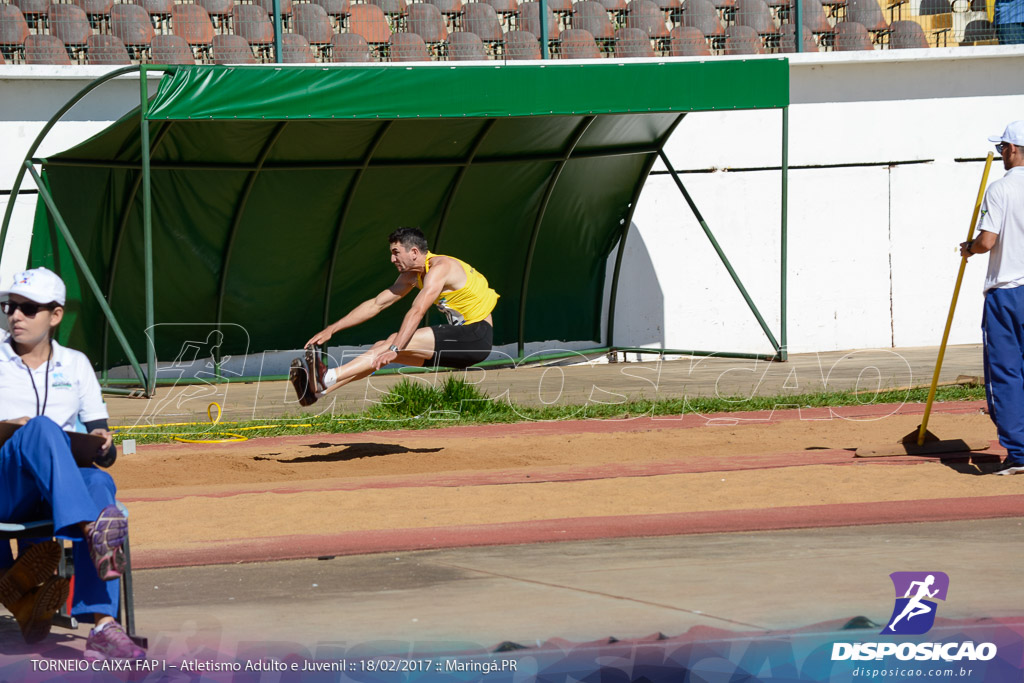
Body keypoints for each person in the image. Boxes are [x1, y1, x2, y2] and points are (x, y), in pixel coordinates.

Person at [0, 266, 145, 659]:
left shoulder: (76, 364)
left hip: (57, 492)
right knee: (42, 429)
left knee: (100, 485)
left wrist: (102, 444)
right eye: (10, 306)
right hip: (6, 486)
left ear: (56, 315)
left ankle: (102, 624)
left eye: (29, 308)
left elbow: (106, 449)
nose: (15, 315)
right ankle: (91, 526)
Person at [290, 227, 499, 405]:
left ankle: (326, 377)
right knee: (381, 348)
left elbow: (417, 310)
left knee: (392, 343)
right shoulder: (411, 275)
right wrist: (332, 329)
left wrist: (395, 347)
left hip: (475, 336)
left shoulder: (441, 268)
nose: (392, 259)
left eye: (396, 252)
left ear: (414, 251)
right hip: (464, 342)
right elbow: (376, 304)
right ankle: (317, 393)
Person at [960, 121, 1024, 475]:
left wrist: (968, 247)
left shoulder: (1000, 189)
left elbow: (987, 242)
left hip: (1008, 291)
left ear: (1012, 150)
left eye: (1002, 147)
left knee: (1006, 374)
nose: (1001, 153)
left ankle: (1019, 453)